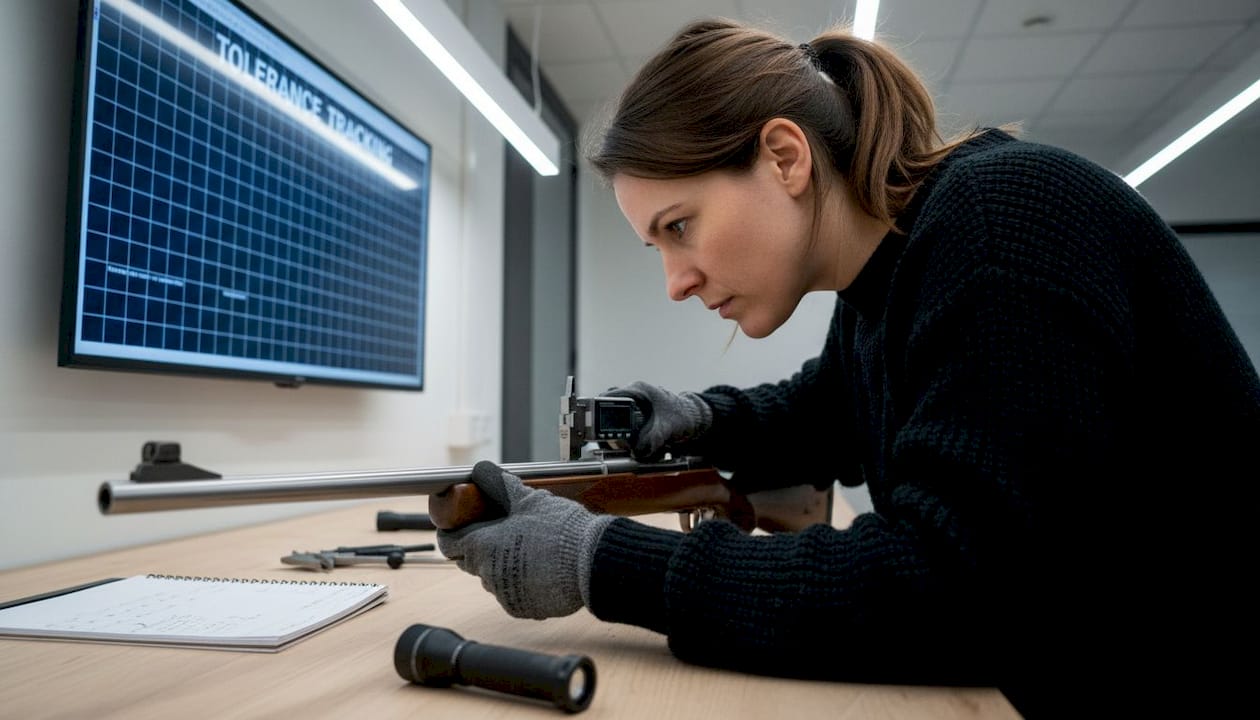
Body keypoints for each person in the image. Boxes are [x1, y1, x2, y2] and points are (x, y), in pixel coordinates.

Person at [438, 18, 1260, 718]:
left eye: (681, 226)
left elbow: (953, 592)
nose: (676, 281)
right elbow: (825, 409)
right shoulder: (888, 278)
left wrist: (603, 561)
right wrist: (704, 418)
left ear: (785, 158)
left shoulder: (998, 226)